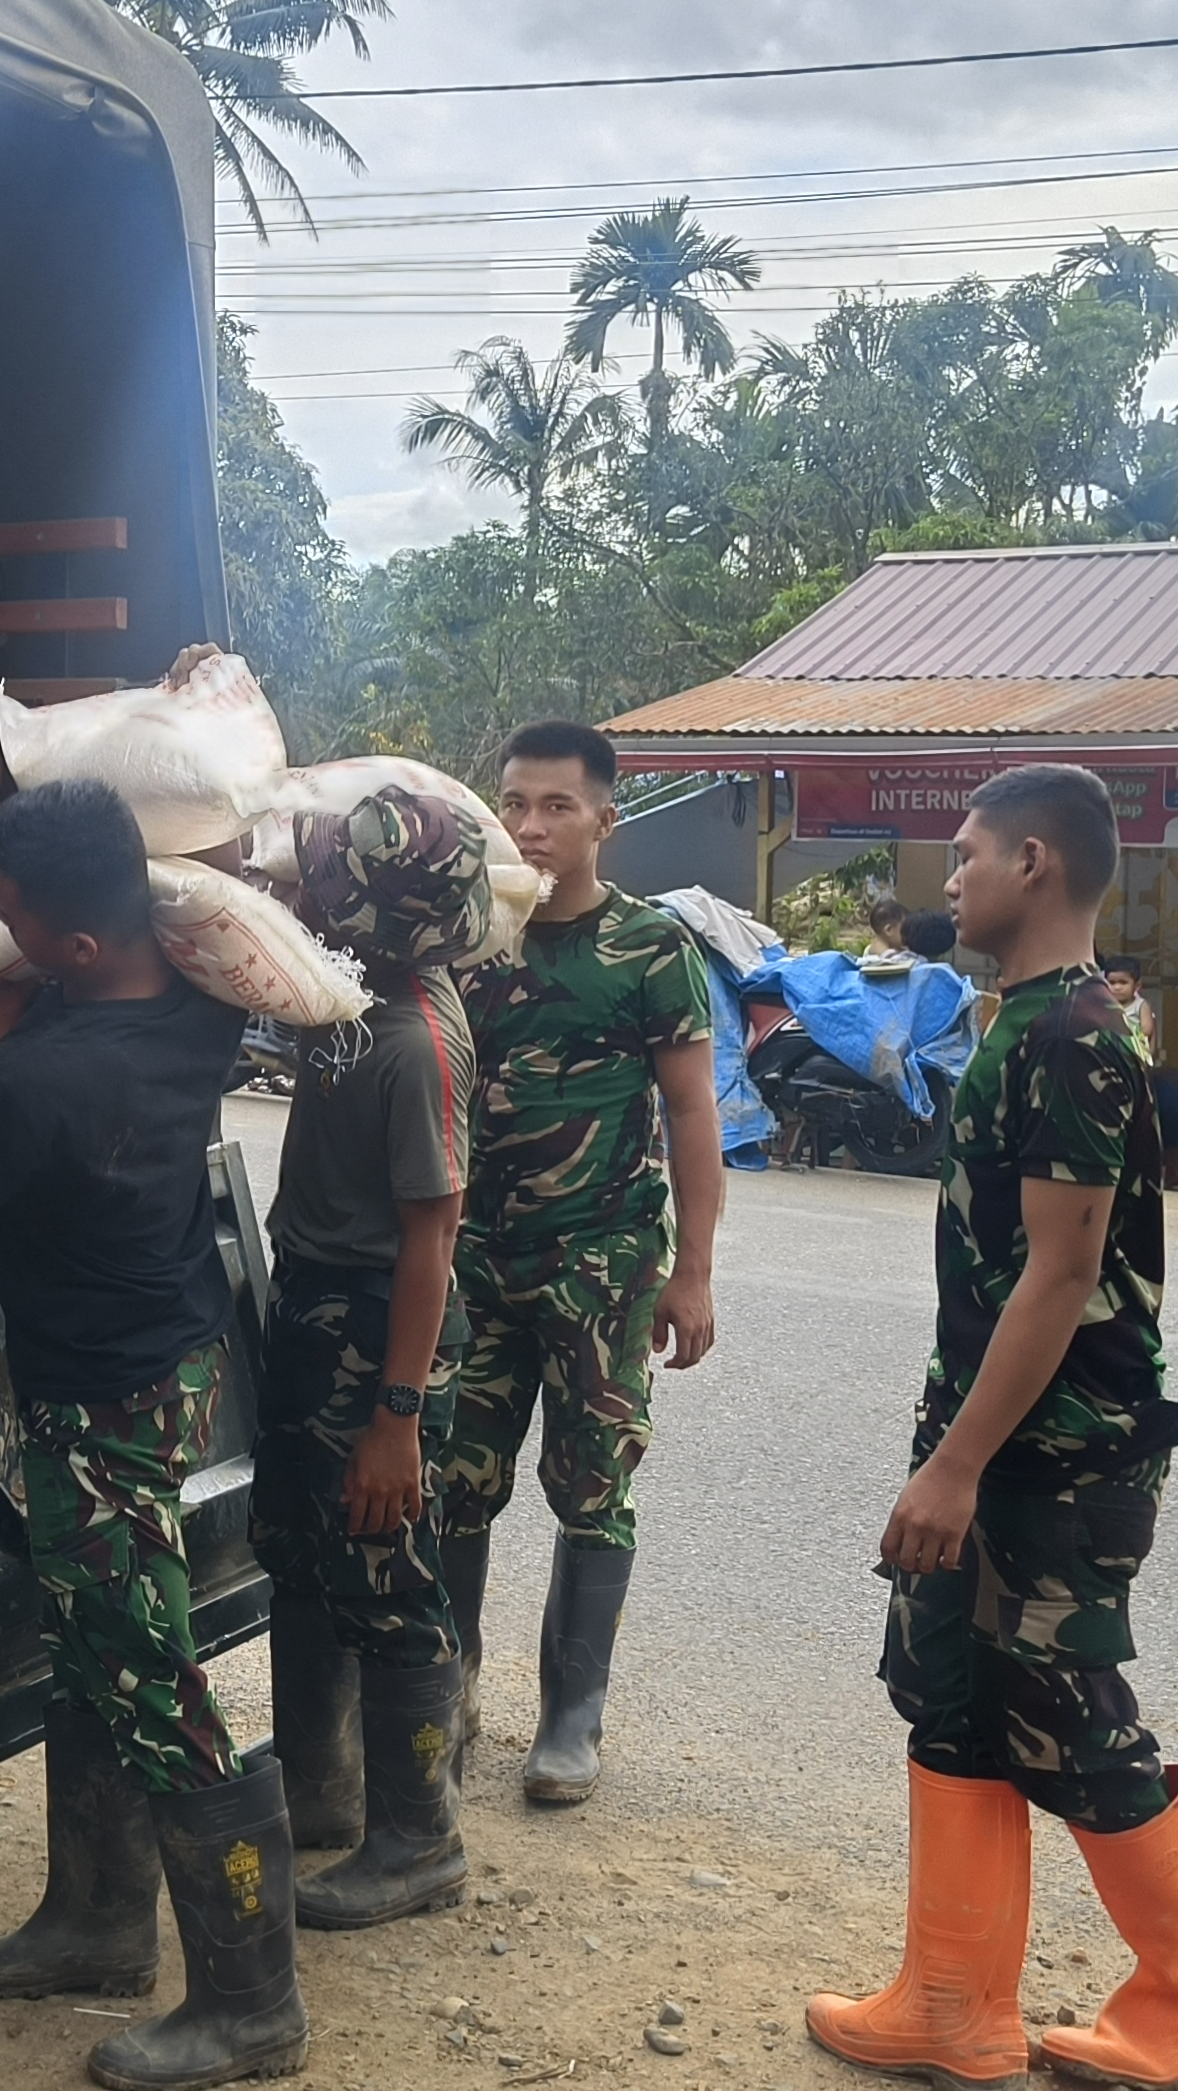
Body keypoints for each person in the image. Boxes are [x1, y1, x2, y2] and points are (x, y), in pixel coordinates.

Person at [810, 762, 1178, 2091]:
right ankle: (952, 2006)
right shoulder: (1016, 1021)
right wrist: (950, 1444)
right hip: (987, 1431)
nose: (948, 879)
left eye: (968, 854)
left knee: (1065, 1713)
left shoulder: (1072, 1037)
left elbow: (1062, 1277)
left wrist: (956, 1466)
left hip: (1060, 1451)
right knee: (949, 1689)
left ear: (1036, 864)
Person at [0, 779, 300, 2091]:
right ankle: (95, 1920)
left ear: (72, 949)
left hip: (96, 1405)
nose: (1, 932)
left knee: (148, 1676)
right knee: (92, 1647)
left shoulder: (32, 1071)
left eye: (14, 918)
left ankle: (252, 2001)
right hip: (174, 1360)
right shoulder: (202, 1003)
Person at [439, 719, 722, 1809]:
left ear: (606, 818)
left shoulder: (650, 947)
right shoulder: (470, 938)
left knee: (592, 1486)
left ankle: (570, 1716)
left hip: (600, 1266)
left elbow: (692, 1113)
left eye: (557, 806)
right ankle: (447, 1692)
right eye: (514, 803)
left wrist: (692, 1271)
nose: (530, 826)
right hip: (473, 1262)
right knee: (454, 1478)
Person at [253, 786, 491, 1933]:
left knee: (386, 1575)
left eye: (329, 890)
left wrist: (395, 1418)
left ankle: (419, 1838)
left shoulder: (413, 1043)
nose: (310, 901)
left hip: (373, 1328)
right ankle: (323, 1793)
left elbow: (430, 1241)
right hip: (316, 1308)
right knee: (305, 1555)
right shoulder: (349, 990)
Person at [1099, 957, 1178, 1192]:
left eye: (1122, 983)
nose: (1116, 988)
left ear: (1137, 985)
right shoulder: (1098, 1005)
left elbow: (1147, 1034)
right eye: (1111, 983)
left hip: (1140, 1074)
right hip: (1105, 1075)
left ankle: (1174, 1171)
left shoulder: (1141, 1007)